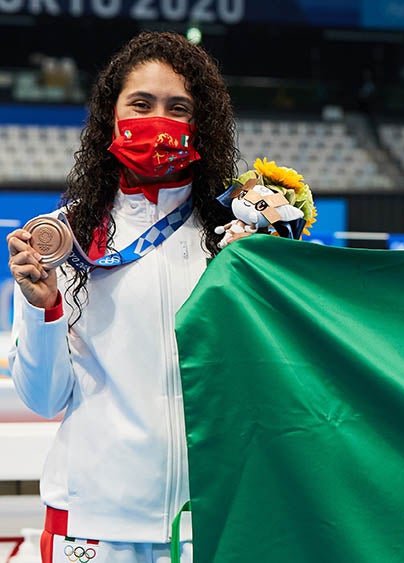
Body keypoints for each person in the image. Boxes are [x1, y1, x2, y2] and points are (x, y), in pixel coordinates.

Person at [6, 31, 237, 562]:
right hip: (93, 522)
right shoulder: (64, 239)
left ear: (201, 125)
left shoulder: (231, 240)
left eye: (177, 108)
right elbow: (44, 399)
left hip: (207, 518)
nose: (158, 120)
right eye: (141, 104)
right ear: (110, 115)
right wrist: (44, 307)